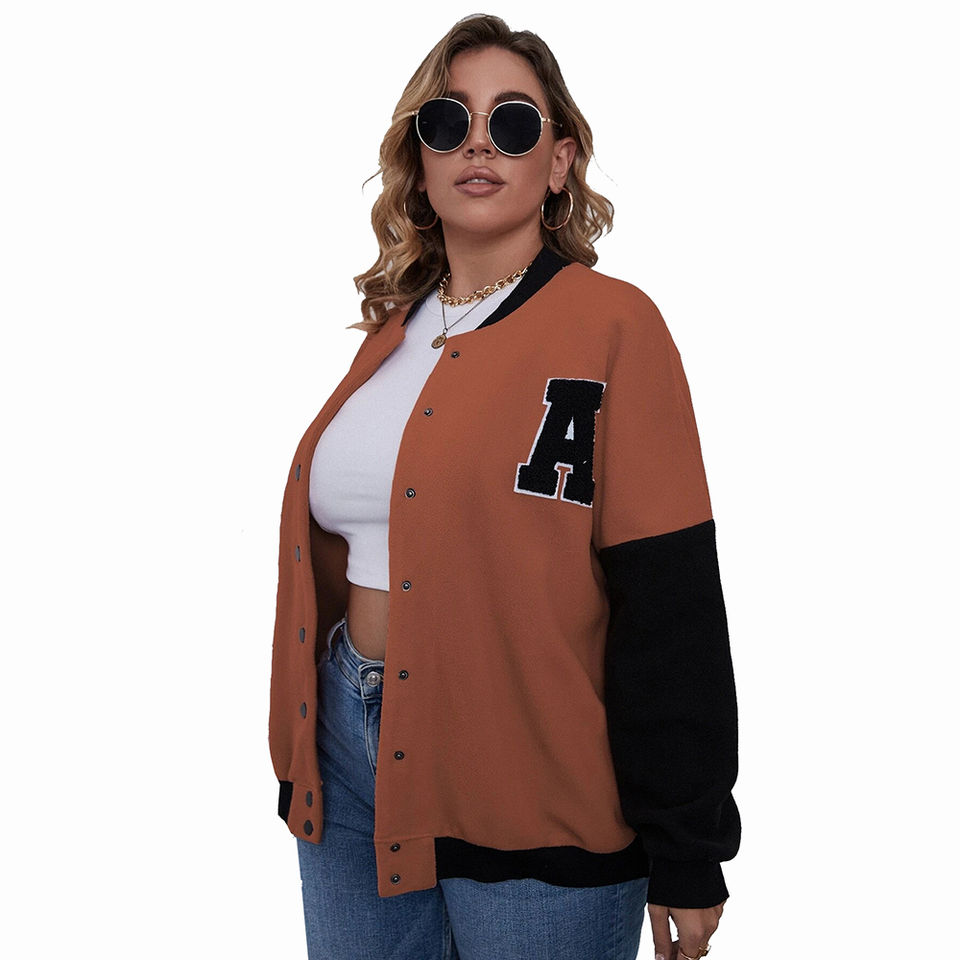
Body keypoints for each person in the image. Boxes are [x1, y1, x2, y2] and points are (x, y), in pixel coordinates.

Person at [268, 13, 741, 960]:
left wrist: (689, 845)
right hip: (350, 766)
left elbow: (670, 597)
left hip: (535, 792)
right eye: (449, 121)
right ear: (420, 158)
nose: (478, 143)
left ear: (560, 162)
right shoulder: (391, 336)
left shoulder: (616, 328)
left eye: (514, 123)